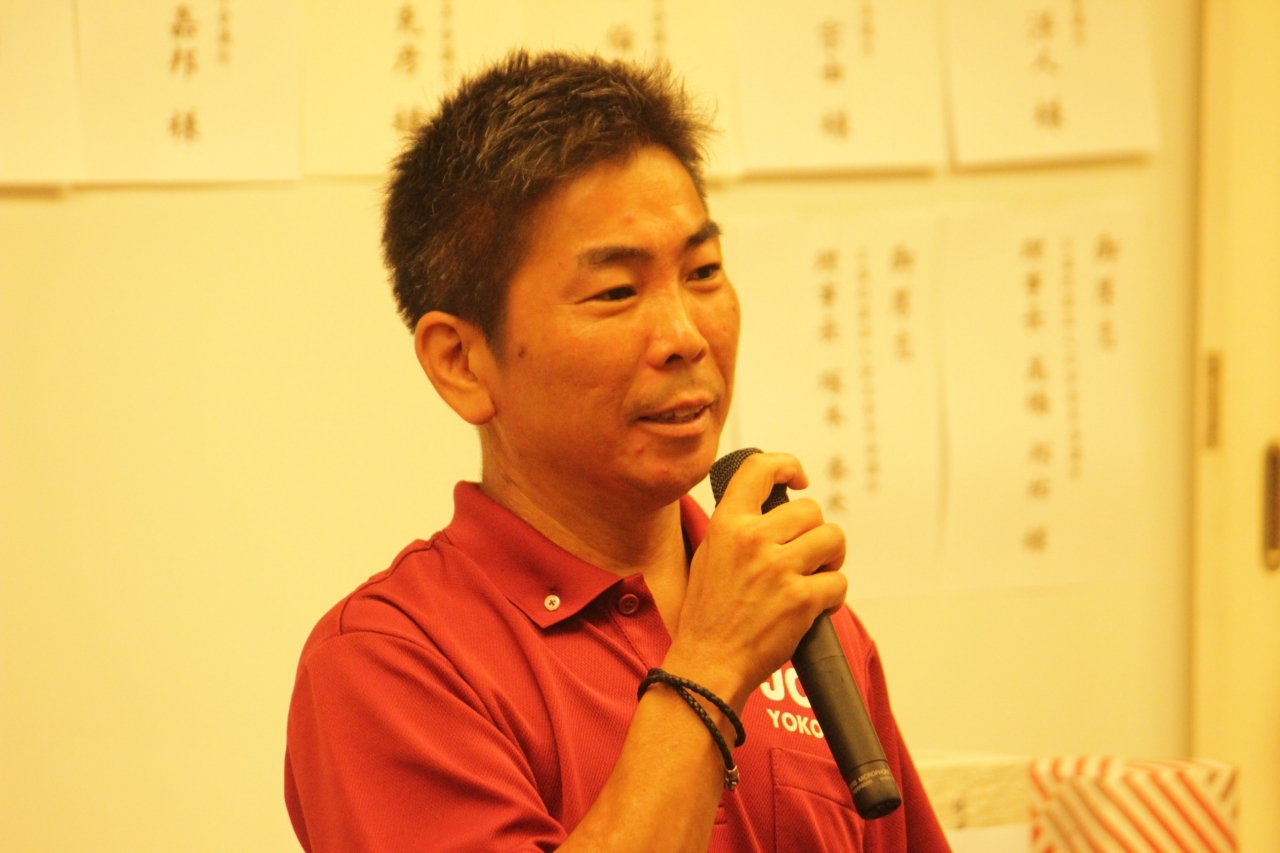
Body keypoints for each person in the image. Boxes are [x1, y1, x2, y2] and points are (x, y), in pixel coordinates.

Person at [284, 50, 950, 853]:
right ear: (462, 362)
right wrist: (710, 664)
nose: (684, 335)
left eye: (703, 271)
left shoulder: (802, 624)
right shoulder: (390, 660)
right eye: (616, 292)